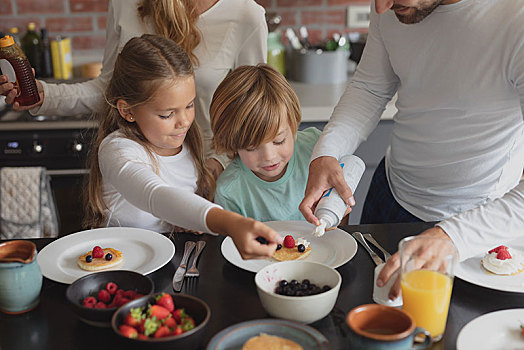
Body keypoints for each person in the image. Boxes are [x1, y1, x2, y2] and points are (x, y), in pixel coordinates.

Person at [298, 0, 523, 296]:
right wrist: (327, 151)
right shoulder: (392, 7)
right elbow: (370, 87)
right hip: (389, 195)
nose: (380, 7)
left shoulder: (515, 19)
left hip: (474, 227)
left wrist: (453, 236)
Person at [0, 0, 267, 178]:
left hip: (208, 171)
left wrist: (215, 168)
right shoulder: (125, 3)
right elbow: (110, 89)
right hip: (138, 165)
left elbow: (254, 114)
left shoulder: (246, 15)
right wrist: (45, 96)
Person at [86, 34, 281, 259]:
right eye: (167, 114)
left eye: (189, 105)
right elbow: (156, 196)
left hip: (170, 262)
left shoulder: (188, 142)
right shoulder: (117, 150)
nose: (185, 121)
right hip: (121, 265)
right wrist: (229, 223)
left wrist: (188, 216)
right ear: (127, 111)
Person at [210, 64, 321, 222]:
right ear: (232, 143)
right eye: (252, 148)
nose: (269, 156)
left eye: (279, 140)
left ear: (293, 125)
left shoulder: (318, 150)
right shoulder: (229, 191)